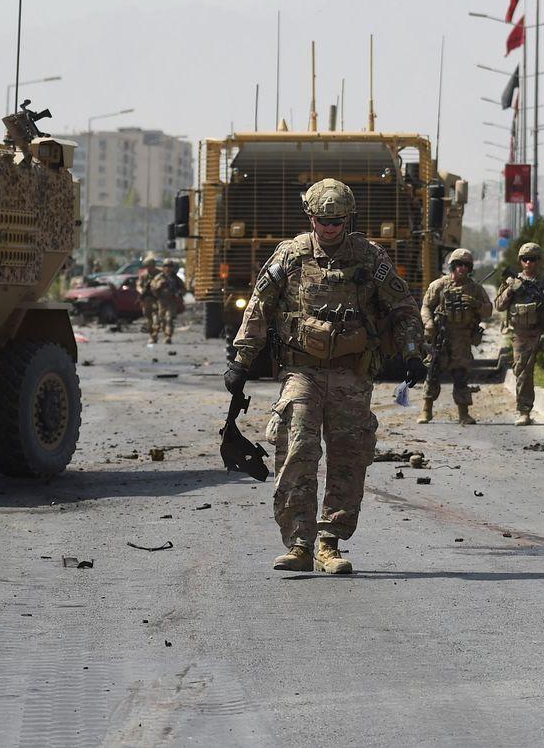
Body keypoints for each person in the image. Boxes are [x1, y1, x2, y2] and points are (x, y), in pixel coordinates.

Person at [227, 178, 423, 575]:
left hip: (352, 374)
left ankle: (328, 543)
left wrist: (413, 353)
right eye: (323, 221)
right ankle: (298, 542)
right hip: (303, 370)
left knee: (349, 457)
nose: (330, 229)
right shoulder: (291, 255)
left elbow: (403, 306)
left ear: (348, 219)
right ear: (311, 218)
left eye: (338, 222)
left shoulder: (370, 258)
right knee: (297, 448)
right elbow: (260, 304)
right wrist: (242, 358)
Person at [494, 241, 544, 425]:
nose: (528, 263)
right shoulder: (511, 282)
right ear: (520, 261)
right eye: (525, 259)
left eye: (532, 259)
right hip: (522, 334)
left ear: (539, 261)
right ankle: (524, 411)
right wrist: (510, 291)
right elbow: (498, 306)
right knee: (522, 372)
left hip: (543, 330)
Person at [418, 247, 492, 425]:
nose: (462, 268)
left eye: (466, 265)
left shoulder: (475, 289)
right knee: (433, 372)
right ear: (452, 266)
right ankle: (426, 410)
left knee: (461, 375)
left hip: (462, 338)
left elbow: (488, 310)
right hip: (441, 336)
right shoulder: (439, 286)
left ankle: (463, 413)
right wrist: (428, 324)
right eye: (458, 264)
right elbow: (426, 306)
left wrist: (475, 304)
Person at [153, 258, 187, 345]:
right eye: (166, 266)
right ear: (163, 267)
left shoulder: (176, 278)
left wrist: (179, 293)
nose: (168, 268)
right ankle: (154, 336)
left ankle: (168, 336)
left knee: (169, 319)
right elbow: (152, 288)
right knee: (160, 319)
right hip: (161, 301)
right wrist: (159, 285)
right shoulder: (159, 277)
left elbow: (183, 289)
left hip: (172, 301)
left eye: (170, 266)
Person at [137, 255, 161, 344]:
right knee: (148, 317)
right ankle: (151, 334)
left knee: (157, 318)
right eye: (147, 266)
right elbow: (139, 285)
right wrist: (141, 290)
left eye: (150, 266)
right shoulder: (143, 275)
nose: (148, 268)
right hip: (147, 298)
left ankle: (154, 336)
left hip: (157, 299)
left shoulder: (160, 274)